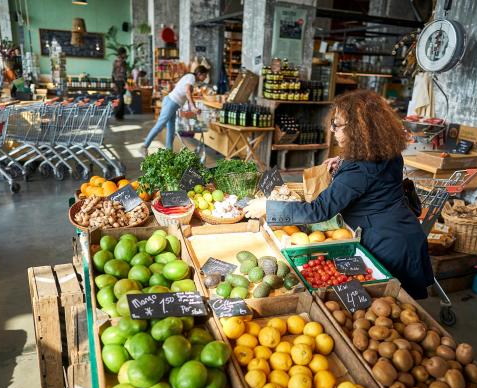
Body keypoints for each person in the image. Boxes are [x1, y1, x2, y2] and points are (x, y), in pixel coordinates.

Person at [244, 90, 434, 299]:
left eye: (337, 124)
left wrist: (268, 207)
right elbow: (372, 179)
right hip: (403, 231)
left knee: (395, 305)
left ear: (358, 130)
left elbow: (319, 210)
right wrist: (342, 162)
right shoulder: (387, 150)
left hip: (388, 244)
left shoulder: (359, 169)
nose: (332, 130)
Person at [142, 65, 209, 154]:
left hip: (173, 104)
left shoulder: (192, 79)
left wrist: (193, 108)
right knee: (161, 124)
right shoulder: (191, 77)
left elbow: (187, 95)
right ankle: (144, 146)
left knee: (171, 130)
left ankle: (169, 153)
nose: (206, 77)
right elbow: (187, 91)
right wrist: (193, 106)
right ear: (199, 73)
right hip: (171, 102)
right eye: (205, 75)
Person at [111, 47, 128, 120]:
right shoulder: (123, 62)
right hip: (121, 82)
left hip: (116, 82)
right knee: (121, 99)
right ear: (122, 53)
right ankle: (119, 115)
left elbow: (113, 72)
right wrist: (126, 83)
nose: (125, 55)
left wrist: (113, 82)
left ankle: (117, 115)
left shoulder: (115, 61)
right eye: (125, 53)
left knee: (118, 98)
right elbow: (123, 73)